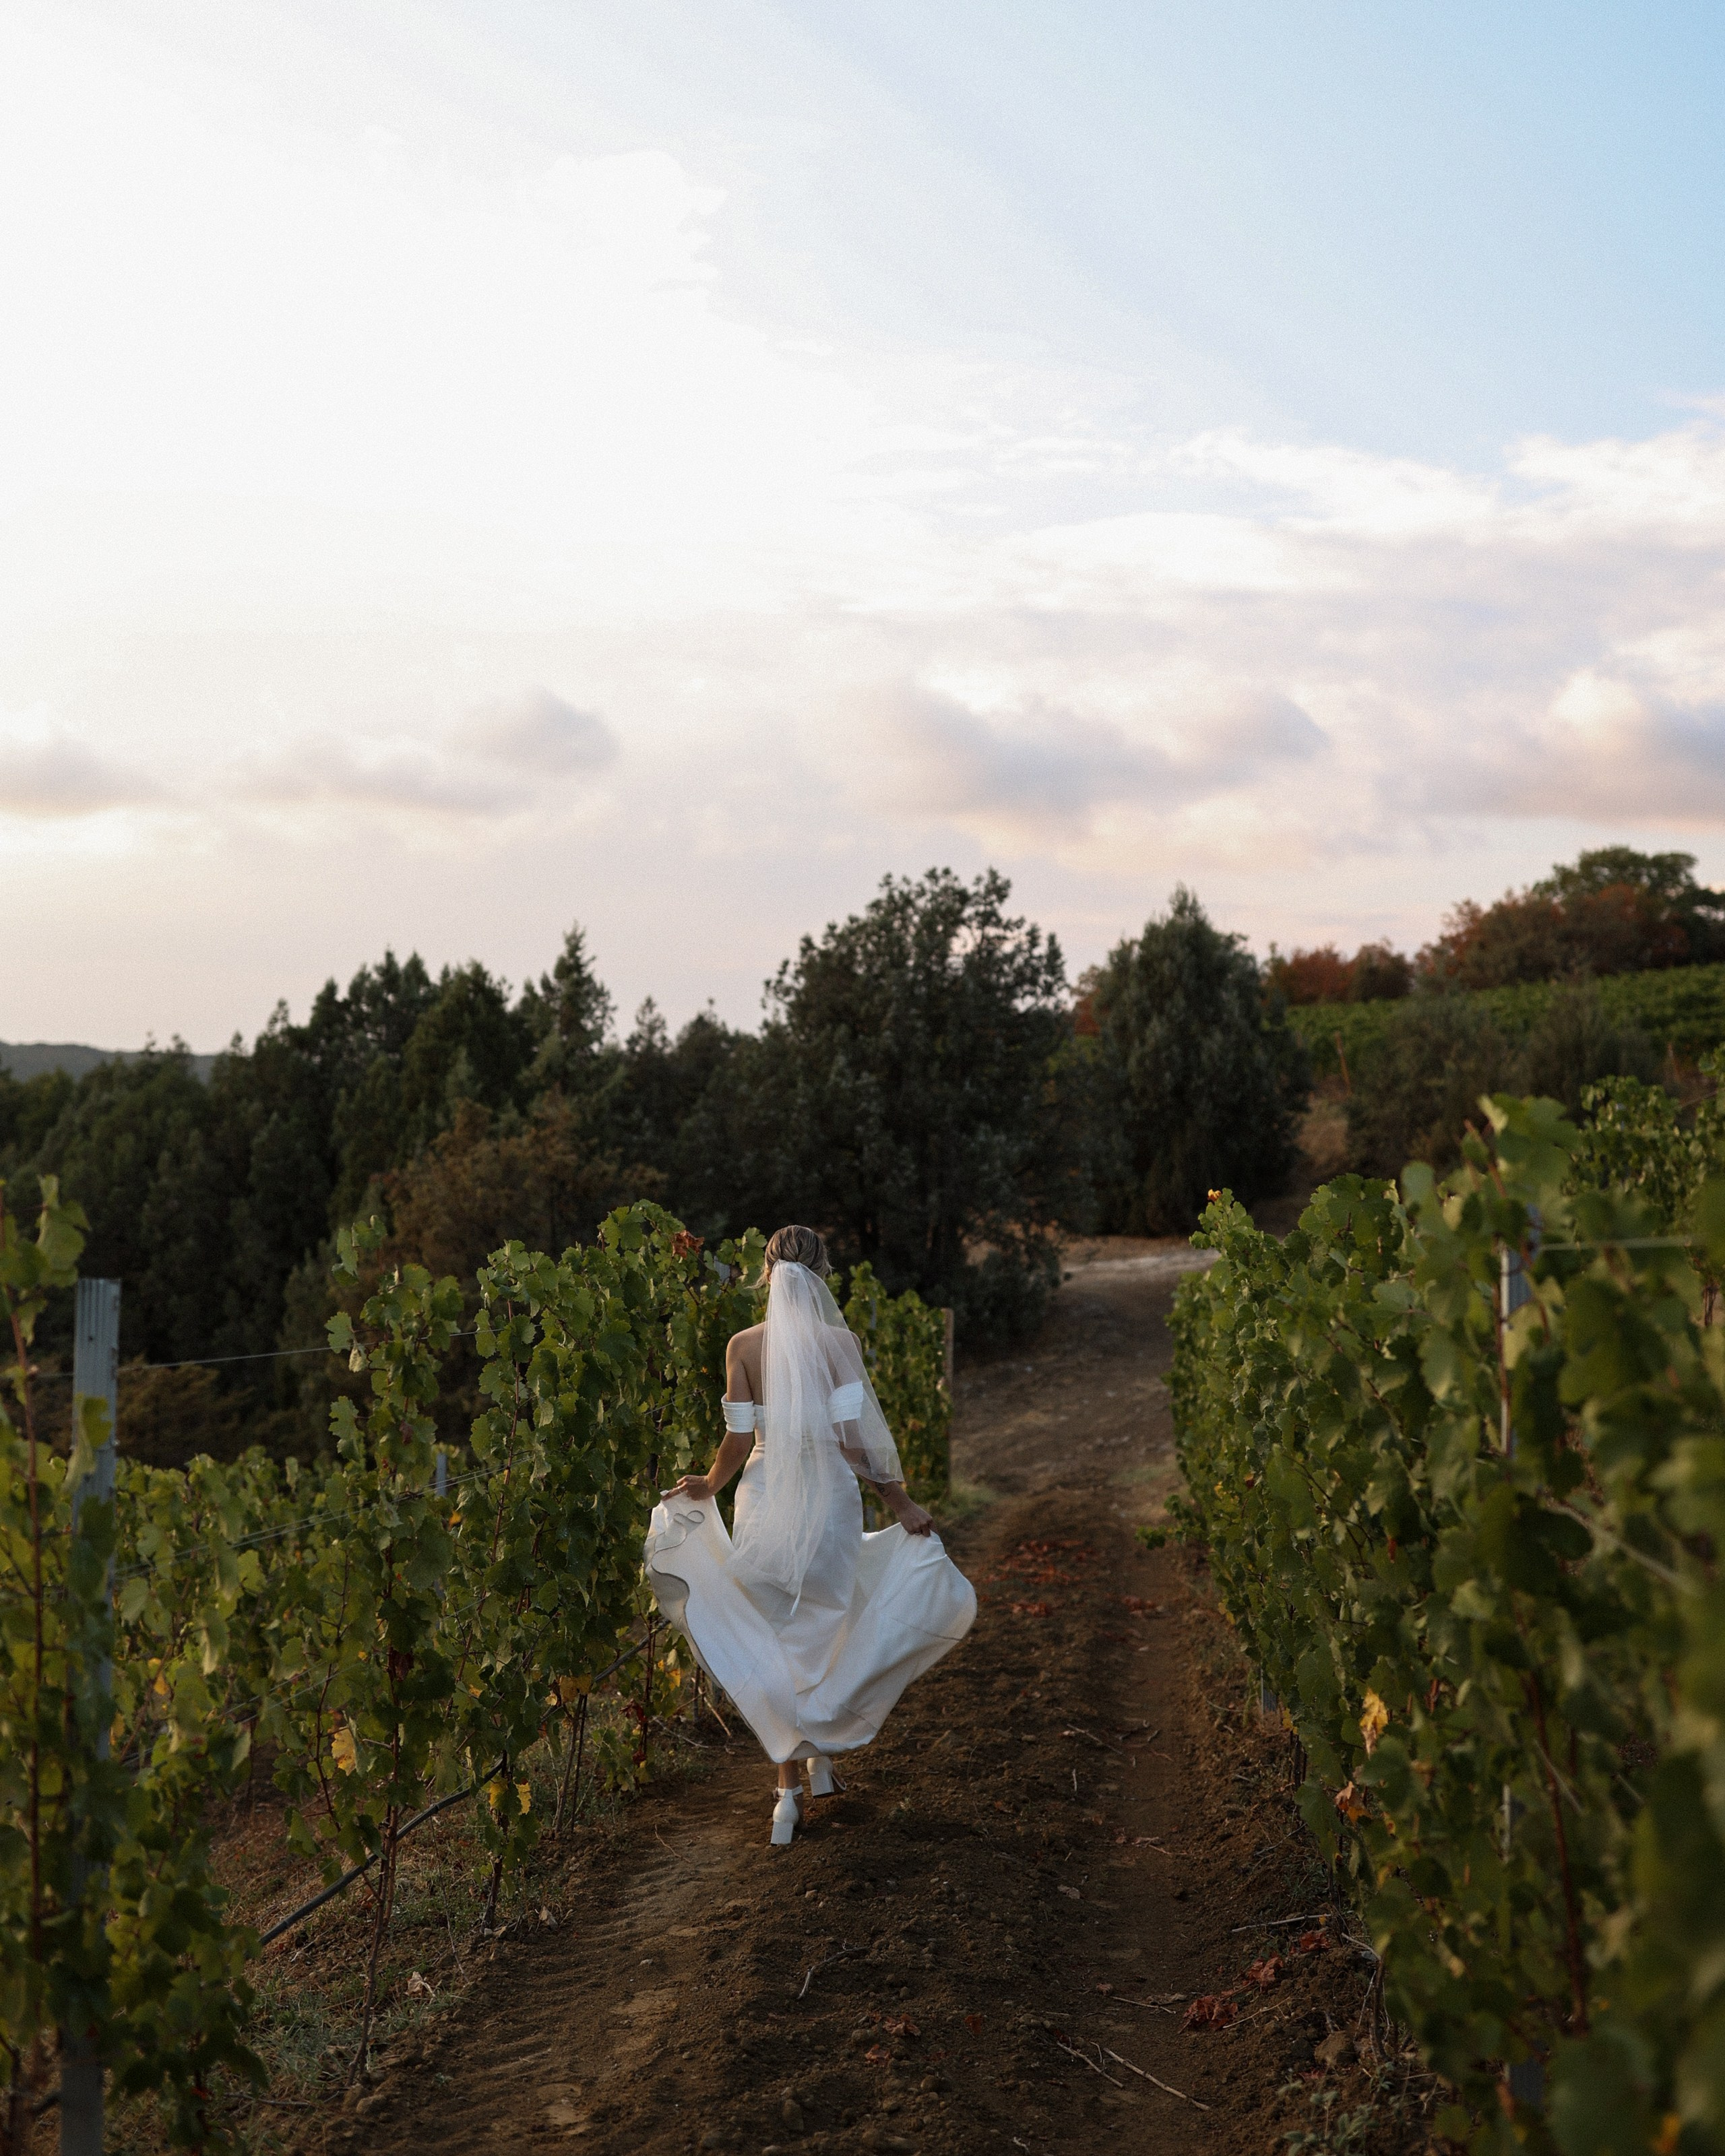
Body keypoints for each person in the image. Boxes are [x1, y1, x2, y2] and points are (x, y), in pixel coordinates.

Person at [642, 1225, 976, 1845]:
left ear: (766, 1277)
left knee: (777, 1635)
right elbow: (853, 1445)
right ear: (822, 1274)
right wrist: (898, 1500)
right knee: (830, 1620)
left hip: (765, 1501)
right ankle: (821, 1757)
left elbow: (739, 1445)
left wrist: (709, 1487)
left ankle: (787, 1794)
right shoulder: (840, 1342)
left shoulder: (742, 1346)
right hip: (828, 1501)